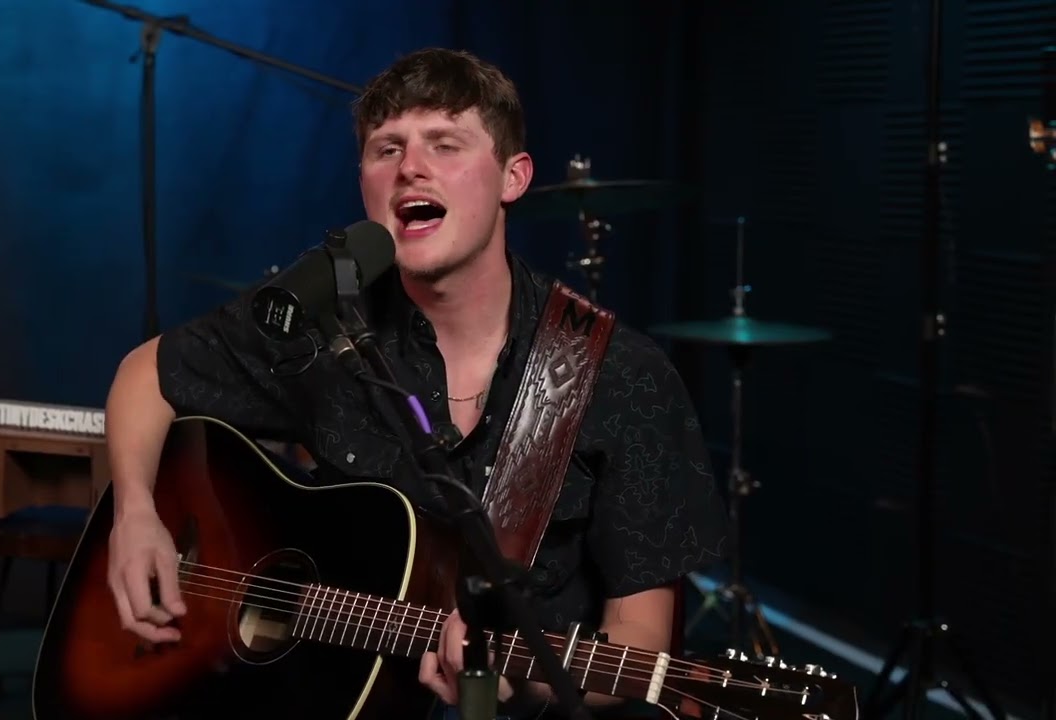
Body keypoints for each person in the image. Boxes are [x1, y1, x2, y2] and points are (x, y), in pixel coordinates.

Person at [102, 47, 728, 718]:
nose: (410, 169)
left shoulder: (621, 376)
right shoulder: (320, 324)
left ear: (513, 178)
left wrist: (524, 679)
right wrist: (134, 513)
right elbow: (146, 371)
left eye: (445, 144)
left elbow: (641, 643)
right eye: (386, 149)